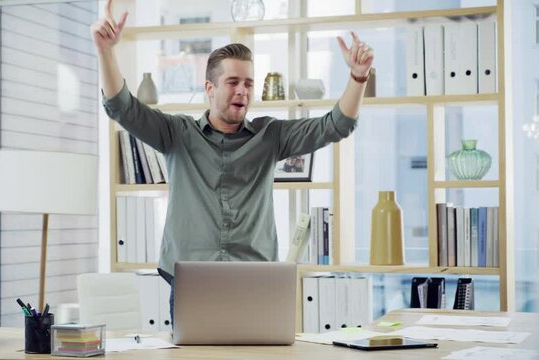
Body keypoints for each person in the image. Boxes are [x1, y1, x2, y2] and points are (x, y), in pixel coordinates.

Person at [91, 0, 373, 326]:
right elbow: (121, 107)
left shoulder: (271, 135)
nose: (242, 90)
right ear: (209, 88)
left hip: (256, 280)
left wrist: (358, 76)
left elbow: (337, 125)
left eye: (249, 83)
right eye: (233, 82)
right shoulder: (176, 133)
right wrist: (106, 52)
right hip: (190, 280)